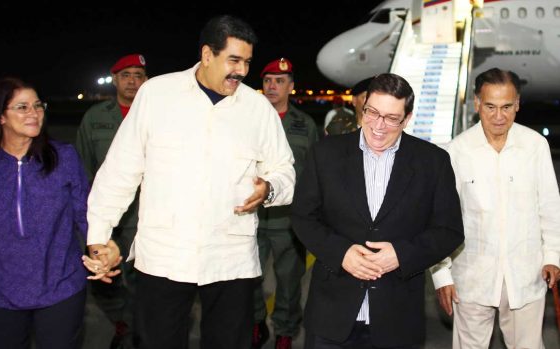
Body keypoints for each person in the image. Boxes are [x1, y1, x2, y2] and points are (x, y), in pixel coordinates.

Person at [85, 15, 295, 349]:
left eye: (247, 62)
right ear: (207, 55)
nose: (242, 71)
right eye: (234, 60)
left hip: (231, 257)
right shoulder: (157, 95)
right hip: (164, 254)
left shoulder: (257, 109)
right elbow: (120, 171)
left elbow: (285, 171)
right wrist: (99, 235)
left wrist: (270, 189)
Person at [291, 73, 464, 348]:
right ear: (362, 107)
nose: (378, 125)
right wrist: (341, 253)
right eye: (372, 112)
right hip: (331, 317)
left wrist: (401, 255)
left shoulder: (433, 162)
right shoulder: (325, 154)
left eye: (392, 118)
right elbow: (303, 217)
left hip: (397, 320)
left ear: (407, 119)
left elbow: (450, 231)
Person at [0, 77, 115, 349]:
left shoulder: (63, 158)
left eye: (38, 105)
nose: (34, 113)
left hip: (61, 287)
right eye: (22, 107)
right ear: (0, 116)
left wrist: (101, 249)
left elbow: (86, 212)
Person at [430, 68, 560, 349]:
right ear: (477, 104)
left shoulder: (535, 146)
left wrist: (553, 256)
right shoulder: (456, 152)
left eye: (507, 107)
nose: (499, 116)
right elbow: (440, 220)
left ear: (517, 105)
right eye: (490, 106)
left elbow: (550, 206)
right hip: (472, 279)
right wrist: (441, 275)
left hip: (526, 276)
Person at [75, 53, 148, 348]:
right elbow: (82, 170)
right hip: (108, 219)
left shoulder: (156, 116)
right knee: (105, 283)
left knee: (145, 282)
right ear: (115, 79)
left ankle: (141, 331)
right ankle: (124, 323)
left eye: (139, 75)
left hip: (145, 218)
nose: (132, 81)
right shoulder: (96, 118)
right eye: (126, 75)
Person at [253, 58, 318, 349]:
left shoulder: (304, 125)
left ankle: (285, 332)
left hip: (289, 220)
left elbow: (315, 172)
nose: (272, 86)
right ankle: (256, 323)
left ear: (291, 87)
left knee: (289, 282)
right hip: (251, 216)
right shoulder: (249, 121)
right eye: (267, 80)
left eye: (279, 81)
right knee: (248, 275)